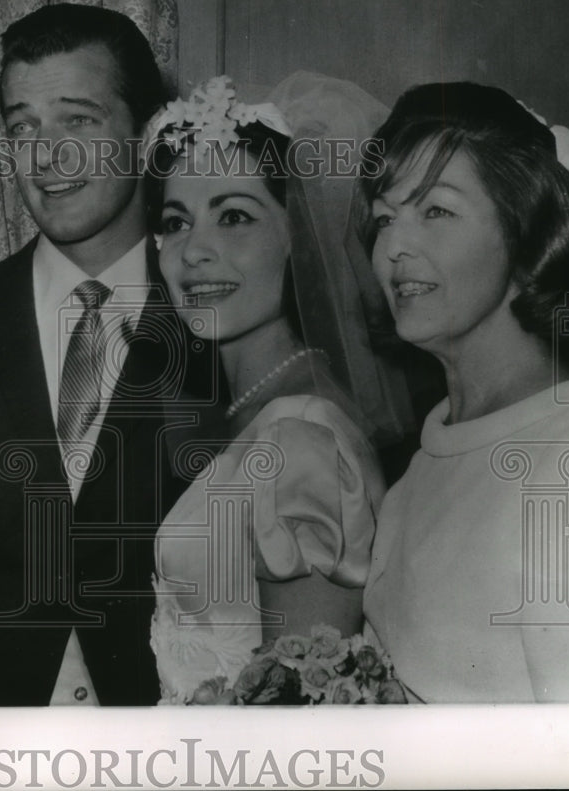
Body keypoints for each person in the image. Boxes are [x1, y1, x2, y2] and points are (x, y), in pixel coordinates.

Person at [0, 3, 215, 706]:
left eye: (79, 119)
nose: (46, 156)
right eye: (22, 127)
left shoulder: (219, 324)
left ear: (146, 131)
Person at [146, 73, 414, 704]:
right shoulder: (258, 412)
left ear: (299, 234)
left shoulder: (299, 442)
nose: (194, 251)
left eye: (234, 216)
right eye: (176, 222)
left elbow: (300, 710)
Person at [361, 82, 569, 702]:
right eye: (383, 219)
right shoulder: (414, 476)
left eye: (437, 211)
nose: (394, 247)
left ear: (528, 237)